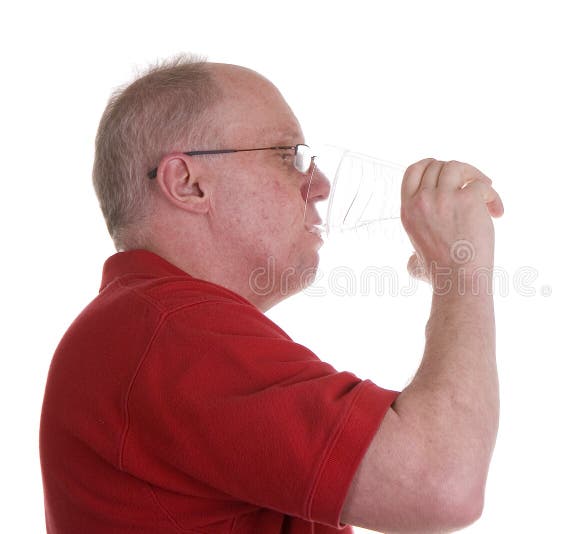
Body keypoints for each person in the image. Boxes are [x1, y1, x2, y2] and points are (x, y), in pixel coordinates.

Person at [39, 55, 504, 533]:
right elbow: (441, 484)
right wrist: (460, 272)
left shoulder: (146, 331)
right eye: (288, 156)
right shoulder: (170, 330)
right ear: (189, 184)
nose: (320, 185)